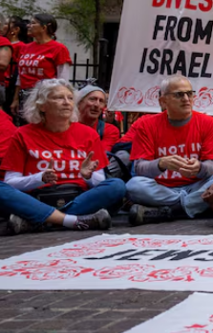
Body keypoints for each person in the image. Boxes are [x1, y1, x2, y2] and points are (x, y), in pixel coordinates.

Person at [0, 79, 125, 234]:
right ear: (42, 105)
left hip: (78, 198)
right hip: (35, 198)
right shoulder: (23, 134)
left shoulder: (88, 134)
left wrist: (87, 176)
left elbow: (99, 183)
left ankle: (40, 221)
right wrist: (39, 178)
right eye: (59, 98)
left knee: (116, 186)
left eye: (70, 98)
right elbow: (10, 182)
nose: (66, 102)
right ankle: (70, 220)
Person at [125, 76, 213, 225]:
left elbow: (212, 165)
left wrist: (199, 168)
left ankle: (171, 211)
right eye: (179, 95)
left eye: (189, 93)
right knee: (133, 186)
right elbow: (140, 169)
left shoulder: (209, 123)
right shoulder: (146, 125)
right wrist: (161, 164)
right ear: (163, 101)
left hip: (197, 185)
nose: (186, 99)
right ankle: (193, 205)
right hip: (162, 188)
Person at [11, 14, 71, 119]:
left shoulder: (59, 49)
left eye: (33, 23)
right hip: (24, 95)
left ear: (44, 28)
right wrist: (15, 99)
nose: (29, 26)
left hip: (44, 96)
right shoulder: (25, 48)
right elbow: (20, 76)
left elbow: (63, 79)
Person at [76, 84, 121, 152]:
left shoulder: (110, 130)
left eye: (101, 101)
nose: (97, 105)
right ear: (79, 103)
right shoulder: (65, 128)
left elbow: (100, 156)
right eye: (92, 99)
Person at [1, 17, 26, 114]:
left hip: (10, 84)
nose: (4, 26)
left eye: (7, 24)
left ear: (16, 30)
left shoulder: (21, 46)